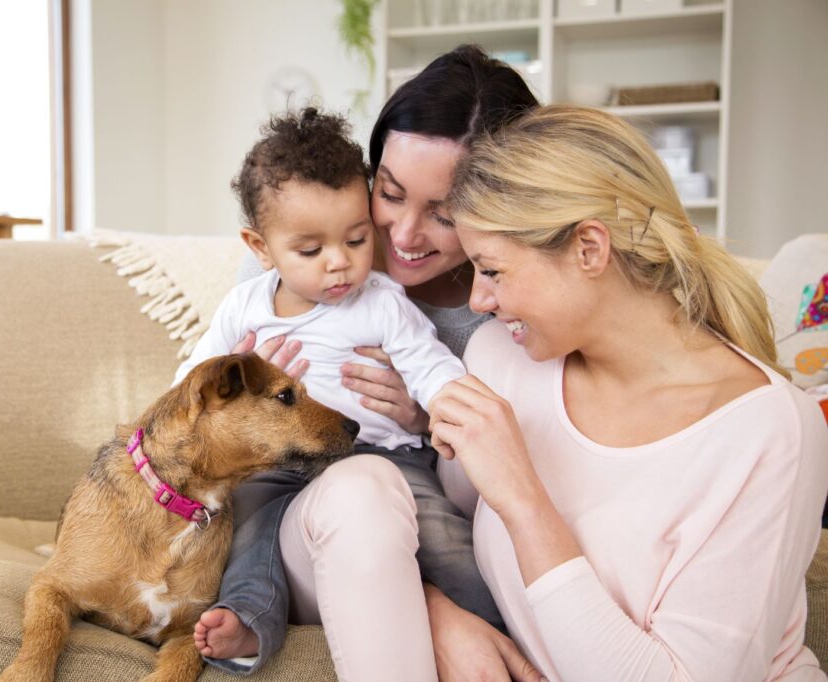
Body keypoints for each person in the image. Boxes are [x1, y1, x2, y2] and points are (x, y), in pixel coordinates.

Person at [427, 104, 828, 681]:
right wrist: (439, 614)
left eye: (492, 270)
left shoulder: (767, 430)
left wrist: (524, 498)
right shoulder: (500, 361)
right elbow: (448, 542)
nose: (478, 302)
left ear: (589, 248)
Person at [195, 46, 544, 681]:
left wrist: (422, 419)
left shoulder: (502, 310)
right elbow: (192, 393)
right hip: (297, 500)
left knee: (407, 509)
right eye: (389, 193)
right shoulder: (282, 262)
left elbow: (484, 451)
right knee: (287, 517)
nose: (404, 236)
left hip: (396, 479)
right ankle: (250, 617)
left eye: (445, 212)